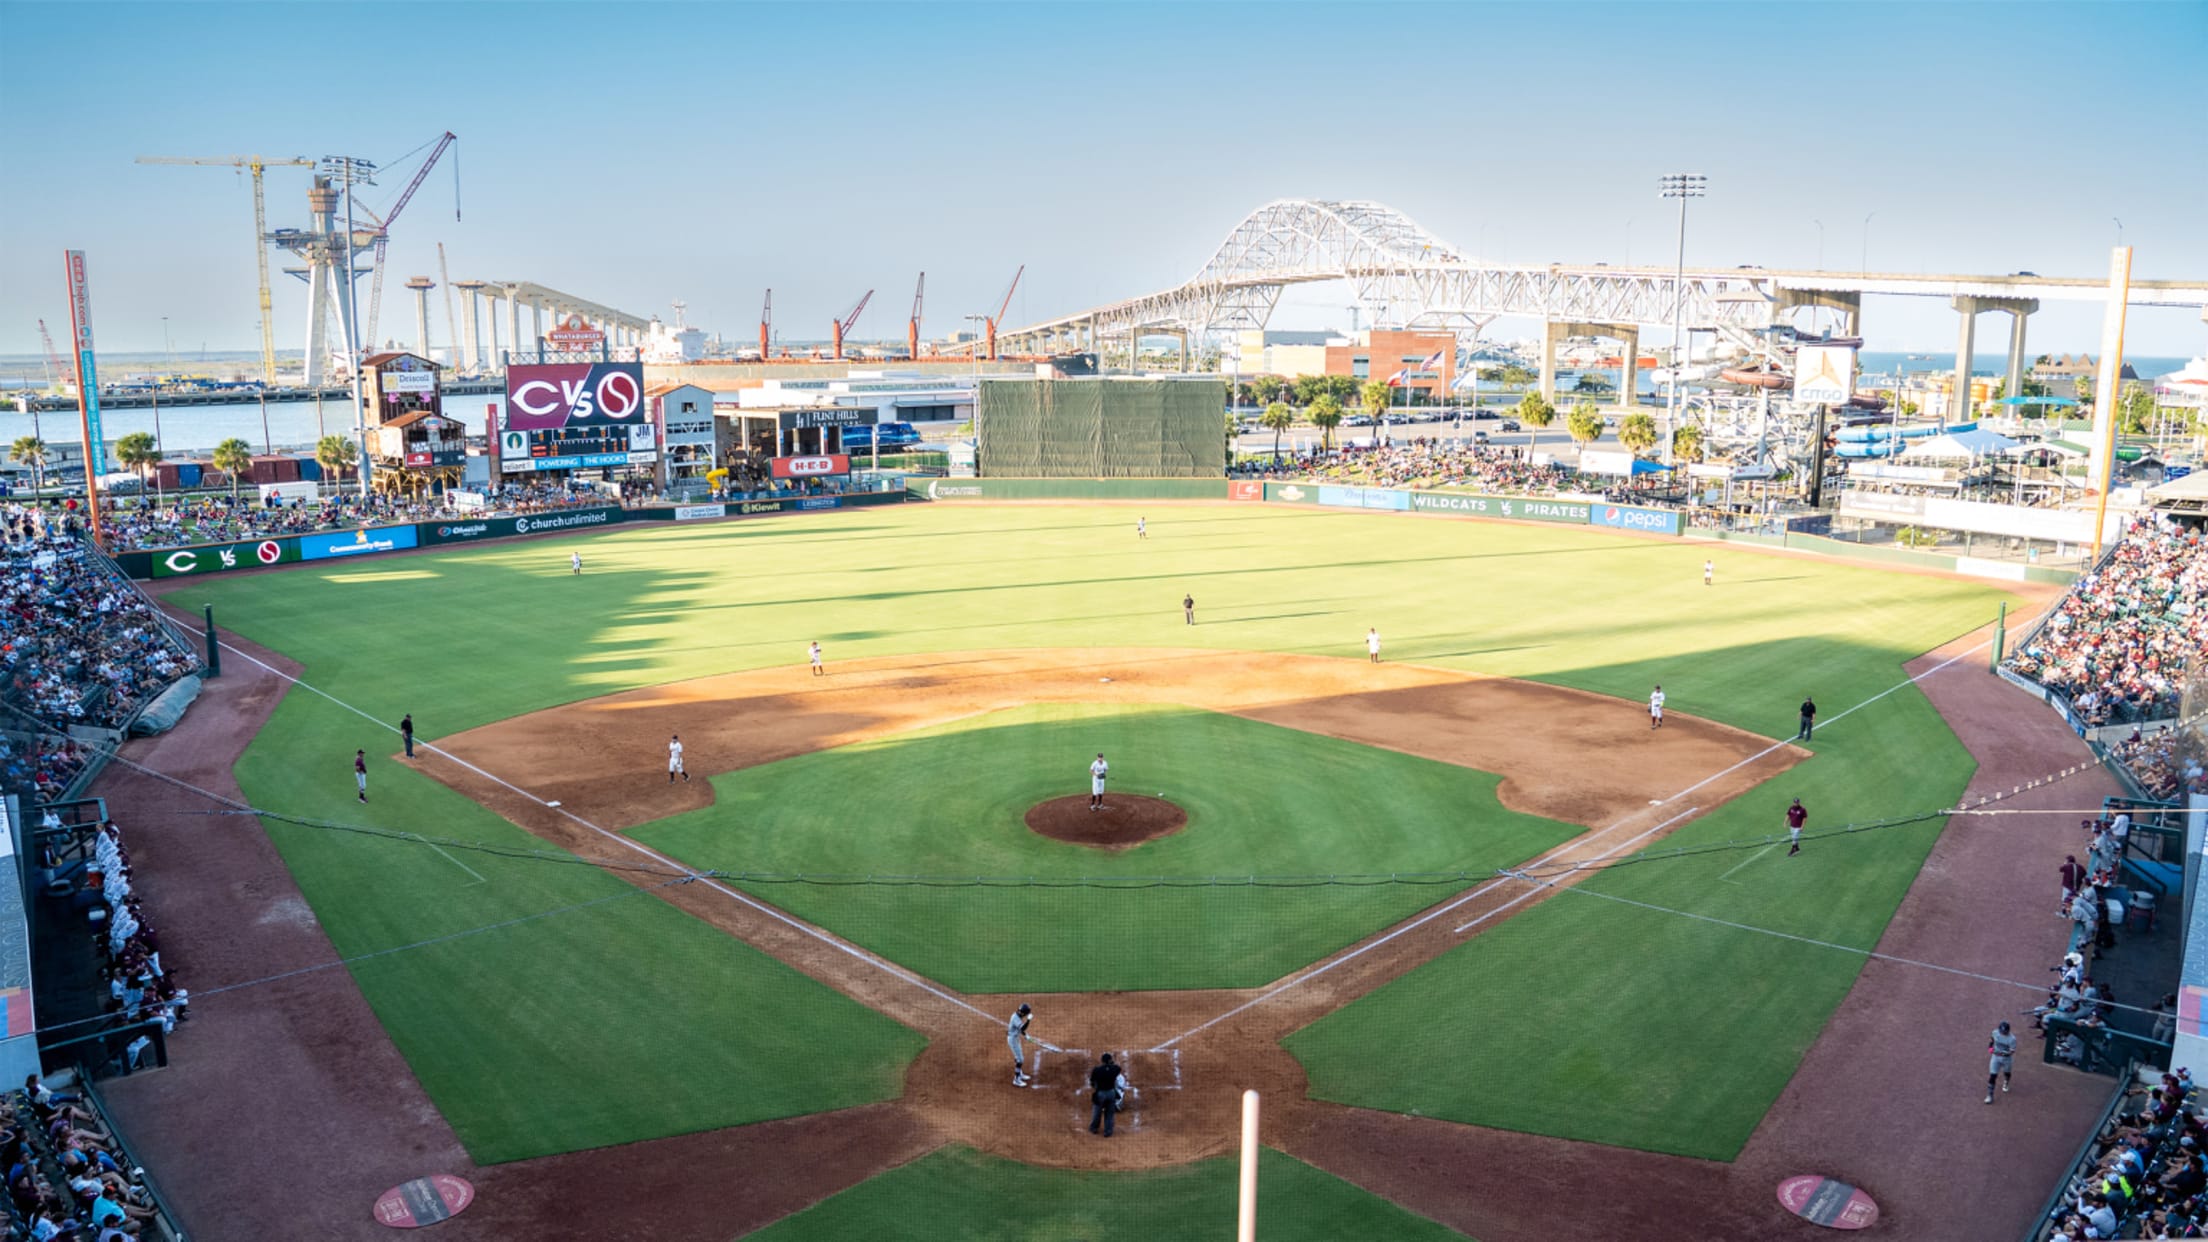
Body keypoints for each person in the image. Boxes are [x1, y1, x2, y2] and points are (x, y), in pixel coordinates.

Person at [1088, 1052, 1126, 1136]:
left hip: (1100, 1093)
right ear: (1110, 1061)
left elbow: (1092, 1082)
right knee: (1109, 1113)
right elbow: (1118, 1068)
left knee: (1097, 1112)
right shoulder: (1113, 1069)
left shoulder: (1097, 1070)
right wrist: (1111, 1064)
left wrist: (1096, 1088)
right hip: (1111, 1093)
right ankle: (1108, 1131)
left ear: (1102, 1061)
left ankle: (1094, 1128)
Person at [1987, 1020, 2017, 1103]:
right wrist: (1990, 1047)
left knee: (2007, 1073)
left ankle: (2006, 1081)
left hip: (2006, 1059)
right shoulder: (1995, 1032)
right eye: (2002, 1031)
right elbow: (1991, 1040)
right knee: (1993, 1075)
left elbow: (2011, 1051)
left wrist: (2002, 1053)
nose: (2003, 1033)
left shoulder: (2012, 1039)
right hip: (1995, 1057)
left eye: (2005, 1032)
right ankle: (1990, 1095)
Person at [1007, 1003, 1034, 1086]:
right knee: (1020, 1059)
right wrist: (1028, 1020)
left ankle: (1020, 1074)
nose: (1026, 1015)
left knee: (1018, 1057)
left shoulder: (1018, 1015)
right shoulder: (1015, 1018)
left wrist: (1026, 1035)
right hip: (1013, 1040)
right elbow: (1023, 1027)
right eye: (1026, 1014)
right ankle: (1016, 1079)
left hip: (1015, 1038)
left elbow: (1020, 1029)